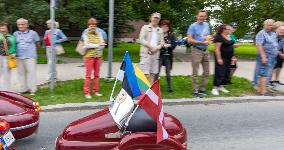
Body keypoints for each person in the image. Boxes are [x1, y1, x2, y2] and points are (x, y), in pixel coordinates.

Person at [187, 10, 212, 97]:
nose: (202, 18)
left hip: (206, 51)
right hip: (196, 50)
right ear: (197, 16)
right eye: (200, 16)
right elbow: (189, 39)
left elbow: (207, 36)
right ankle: (195, 90)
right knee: (195, 72)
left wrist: (209, 39)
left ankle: (202, 89)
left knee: (206, 72)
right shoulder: (192, 26)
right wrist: (201, 43)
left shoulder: (207, 25)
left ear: (206, 17)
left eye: (204, 16)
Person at [14, 18, 41, 95]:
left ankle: (33, 90)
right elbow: (14, 44)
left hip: (30, 56)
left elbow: (38, 43)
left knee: (31, 73)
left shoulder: (33, 33)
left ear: (27, 25)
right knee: (21, 74)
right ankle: (23, 89)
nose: (21, 26)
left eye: (22, 24)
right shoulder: (15, 34)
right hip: (19, 57)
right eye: (19, 24)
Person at [81, 18, 105, 99]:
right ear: (88, 26)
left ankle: (96, 91)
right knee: (88, 76)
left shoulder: (99, 34)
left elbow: (102, 45)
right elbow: (87, 45)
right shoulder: (85, 34)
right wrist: (97, 45)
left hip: (98, 56)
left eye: (94, 25)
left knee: (96, 75)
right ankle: (87, 92)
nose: (93, 27)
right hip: (89, 57)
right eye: (91, 25)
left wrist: (94, 45)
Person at [254, 19, 279, 96]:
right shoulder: (261, 33)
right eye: (269, 25)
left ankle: (260, 89)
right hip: (266, 56)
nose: (270, 26)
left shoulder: (273, 33)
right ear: (264, 25)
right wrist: (263, 56)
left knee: (268, 73)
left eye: (272, 25)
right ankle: (263, 92)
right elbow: (259, 45)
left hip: (272, 56)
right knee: (264, 73)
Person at [139, 12, 164, 84]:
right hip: (146, 54)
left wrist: (156, 48)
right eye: (154, 17)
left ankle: (150, 92)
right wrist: (150, 46)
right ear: (151, 18)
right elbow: (141, 39)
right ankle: (143, 92)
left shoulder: (160, 30)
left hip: (155, 54)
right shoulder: (145, 27)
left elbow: (162, 43)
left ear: (159, 20)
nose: (156, 19)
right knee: (145, 73)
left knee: (153, 73)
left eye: (157, 18)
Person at [211, 24, 235, 95]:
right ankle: (215, 88)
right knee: (219, 72)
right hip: (221, 58)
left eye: (230, 29)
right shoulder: (219, 37)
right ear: (223, 30)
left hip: (229, 57)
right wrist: (219, 59)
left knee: (226, 72)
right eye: (228, 29)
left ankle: (221, 86)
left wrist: (233, 56)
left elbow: (230, 45)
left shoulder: (228, 36)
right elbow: (217, 49)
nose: (230, 30)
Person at [158, 20, 177, 92]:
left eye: (166, 26)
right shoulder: (159, 35)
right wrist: (162, 45)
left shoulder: (171, 36)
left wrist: (169, 45)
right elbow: (156, 44)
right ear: (161, 27)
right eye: (163, 26)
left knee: (168, 73)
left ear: (169, 27)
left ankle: (169, 88)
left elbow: (174, 45)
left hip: (168, 57)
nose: (164, 27)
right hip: (160, 56)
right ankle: (156, 87)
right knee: (157, 72)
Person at [0, 22, 16, 91]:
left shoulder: (12, 37)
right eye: (1, 28)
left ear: (7, 29)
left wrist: (14, 53)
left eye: (4, 28)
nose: (2, 29)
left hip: (8, 57)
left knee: (7, 73)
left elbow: (14, 47)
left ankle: (6, 90)